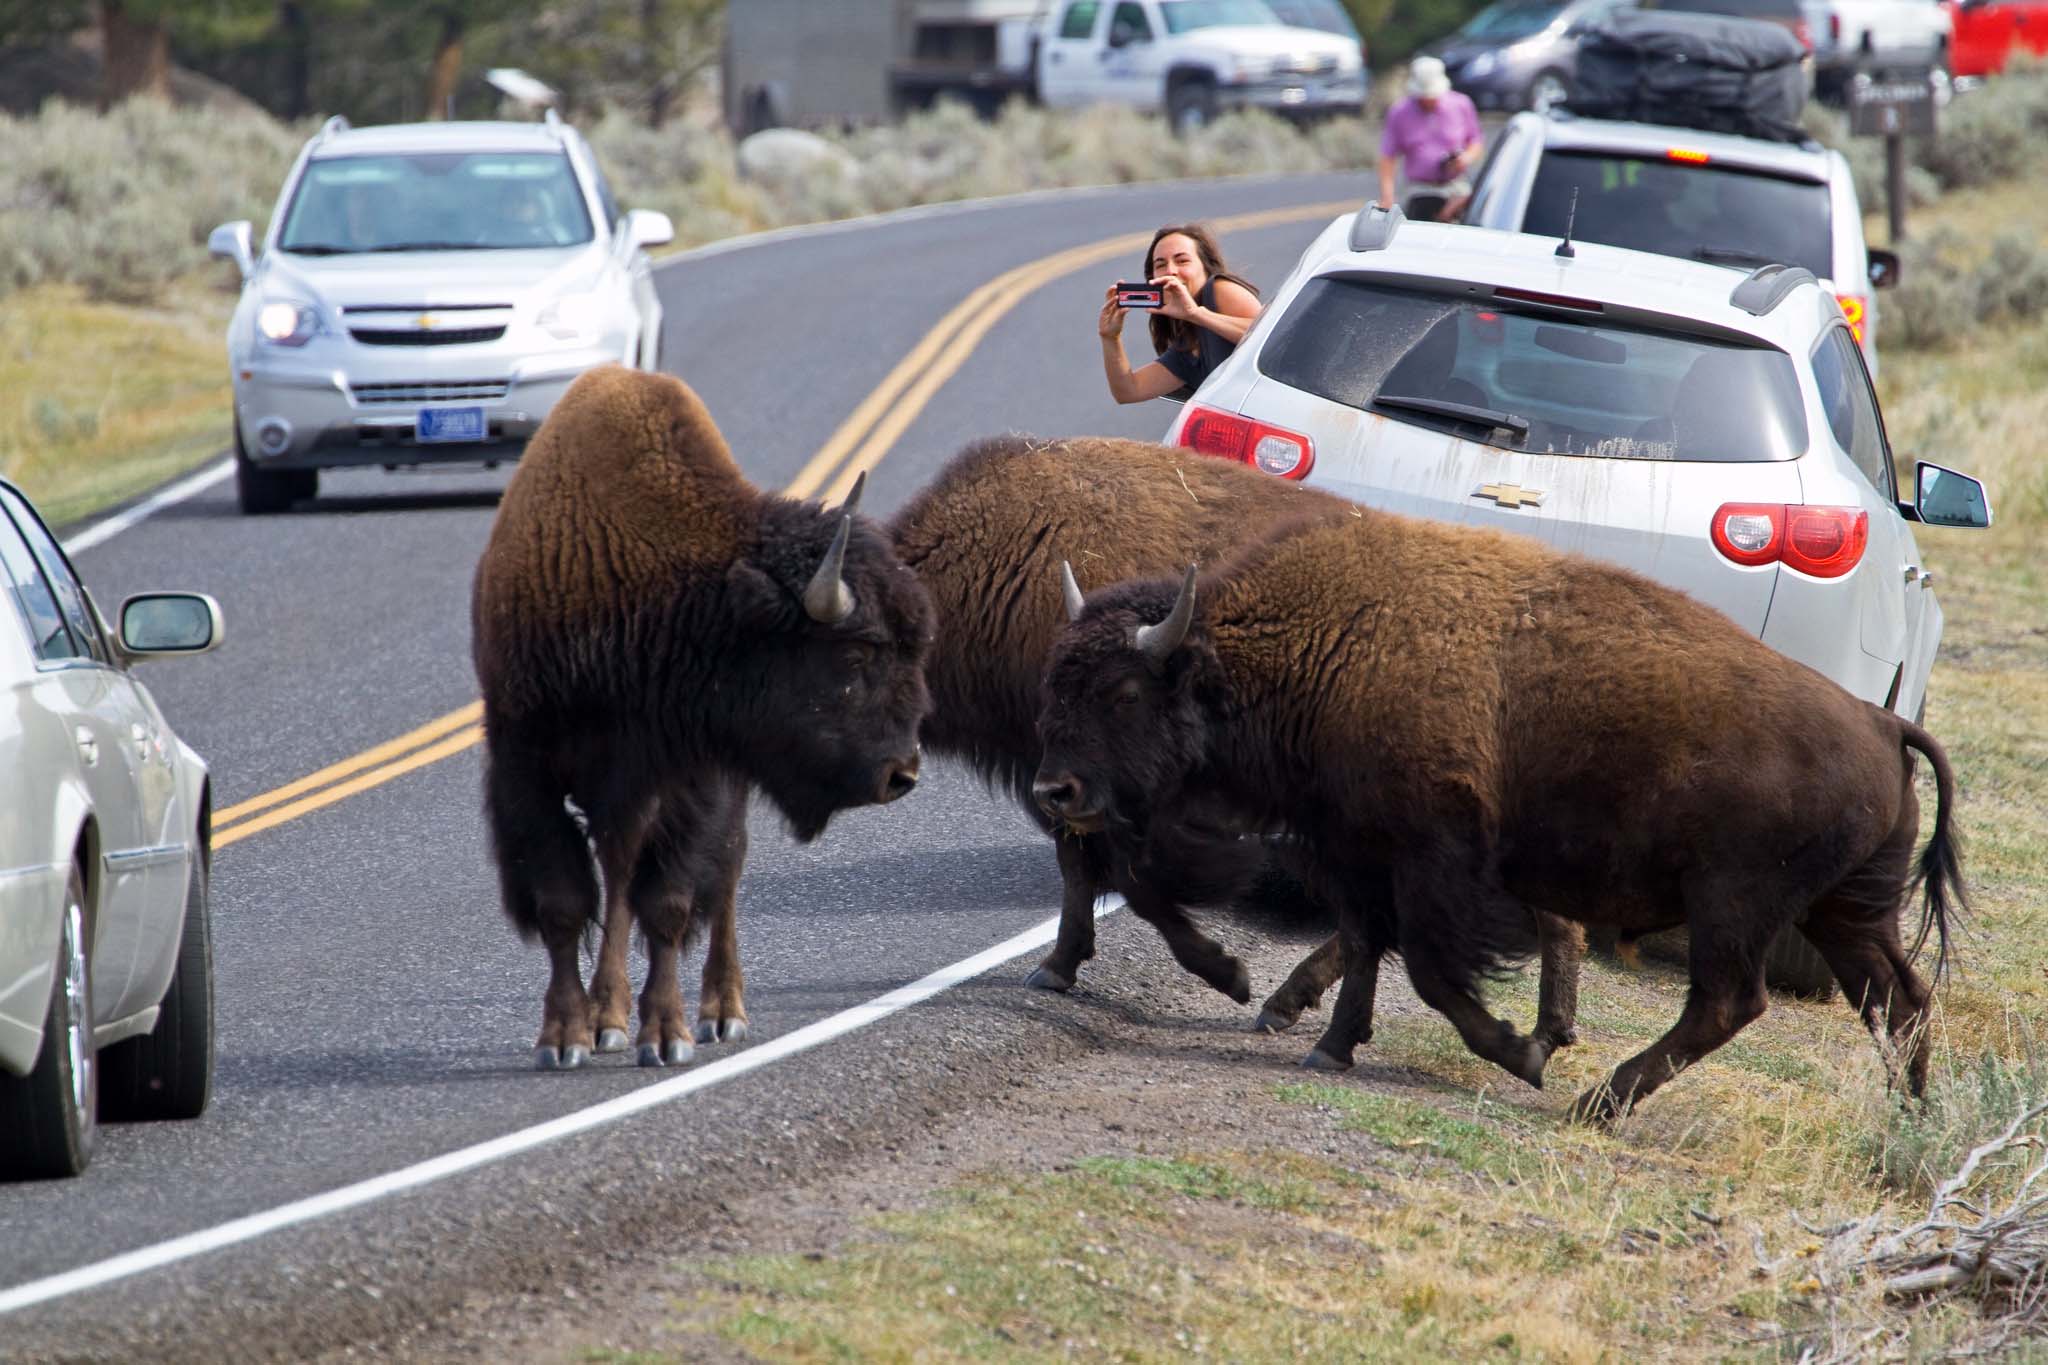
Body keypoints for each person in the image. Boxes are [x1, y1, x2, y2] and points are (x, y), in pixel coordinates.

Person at [1098, 224, 1262, 405]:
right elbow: (1129, 391)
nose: (1171, 271)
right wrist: (1110, 338)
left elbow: (1273, 337)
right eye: (1160, 265)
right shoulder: (1188, 344)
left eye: (1182, 261)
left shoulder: (1220, 289)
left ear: (1206, 268)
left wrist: (1196, 314)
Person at [1377, 56, 1485, 223]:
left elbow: (1475, 140)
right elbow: (1388, 156)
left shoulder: (1461, 104)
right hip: (1421, 188)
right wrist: (1387, 195)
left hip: (1456, 185)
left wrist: (1465, 158)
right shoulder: (1400, 112)